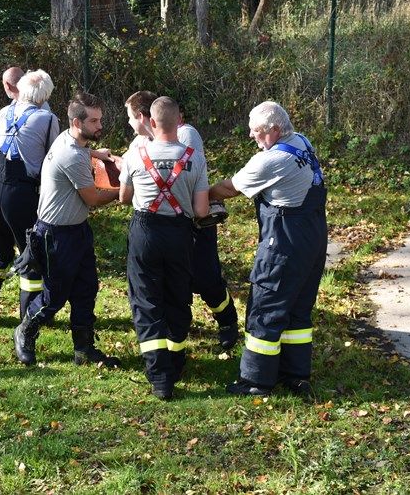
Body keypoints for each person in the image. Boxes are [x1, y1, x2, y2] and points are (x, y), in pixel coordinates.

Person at [209, 101, 327, 398]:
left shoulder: (270, 161)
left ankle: (256, 381)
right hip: (313, 237)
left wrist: (204, 194)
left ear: (275, 130)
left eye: (256, 131)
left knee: (265, 307)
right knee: (298, 310)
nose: (251, 136)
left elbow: (229, 188)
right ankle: (295, 375)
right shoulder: (301, 141)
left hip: (284, 241)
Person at [123, 91, 239, 351]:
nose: (129, 124)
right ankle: (168, 336)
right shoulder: (140, 144)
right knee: (167, 282)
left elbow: (190, 173)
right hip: (165, 227)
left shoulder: (185, 135)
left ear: (144, 118)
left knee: (205, 279)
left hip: (194, 224)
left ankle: (227, 321)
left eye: (130, 118)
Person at [13, 92, 120, 368]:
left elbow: (82, 150)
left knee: (87, 289)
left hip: (78, 230)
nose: (99, 126)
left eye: (100, 119)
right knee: (55, 296)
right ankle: (25, 331)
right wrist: (125, 193)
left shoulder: (74, 139)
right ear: (76, 121)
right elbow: (94, 199)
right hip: (55, 235)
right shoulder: (70, 153)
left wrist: (97, 153)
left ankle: (83, 349)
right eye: (94, 121)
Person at [119, 96, 210, 400]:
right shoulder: (194, 157)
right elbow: (200, 210)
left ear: (152, 122)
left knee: (145, 299)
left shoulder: (135, 153)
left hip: (145, 230)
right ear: (178, 121)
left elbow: (123, 197)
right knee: (177, 294)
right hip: (179, 233)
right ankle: (176, 360)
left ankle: (159, 376)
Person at [0, 70, 60, 325]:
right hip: (19, 189)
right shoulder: (48, 118)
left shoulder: (3, 113)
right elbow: (53, 156)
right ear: (46, 94)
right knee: (31, 251)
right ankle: (31, 315)